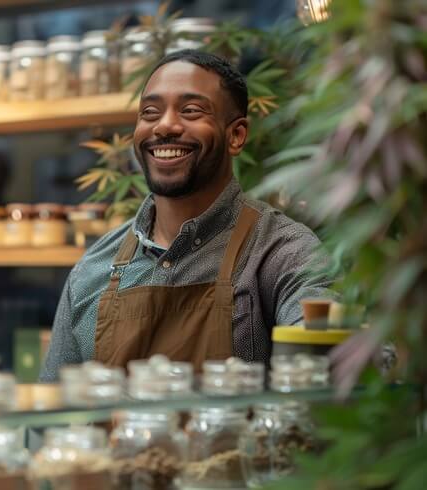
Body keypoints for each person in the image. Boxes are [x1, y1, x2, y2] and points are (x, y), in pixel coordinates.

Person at [40, 50, 332, 380]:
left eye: (190, 111)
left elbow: (330, 364)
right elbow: (55, 414)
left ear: (235, 135)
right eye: (150, 112)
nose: (165, 125)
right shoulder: (94, 268)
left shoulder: (281, 252)